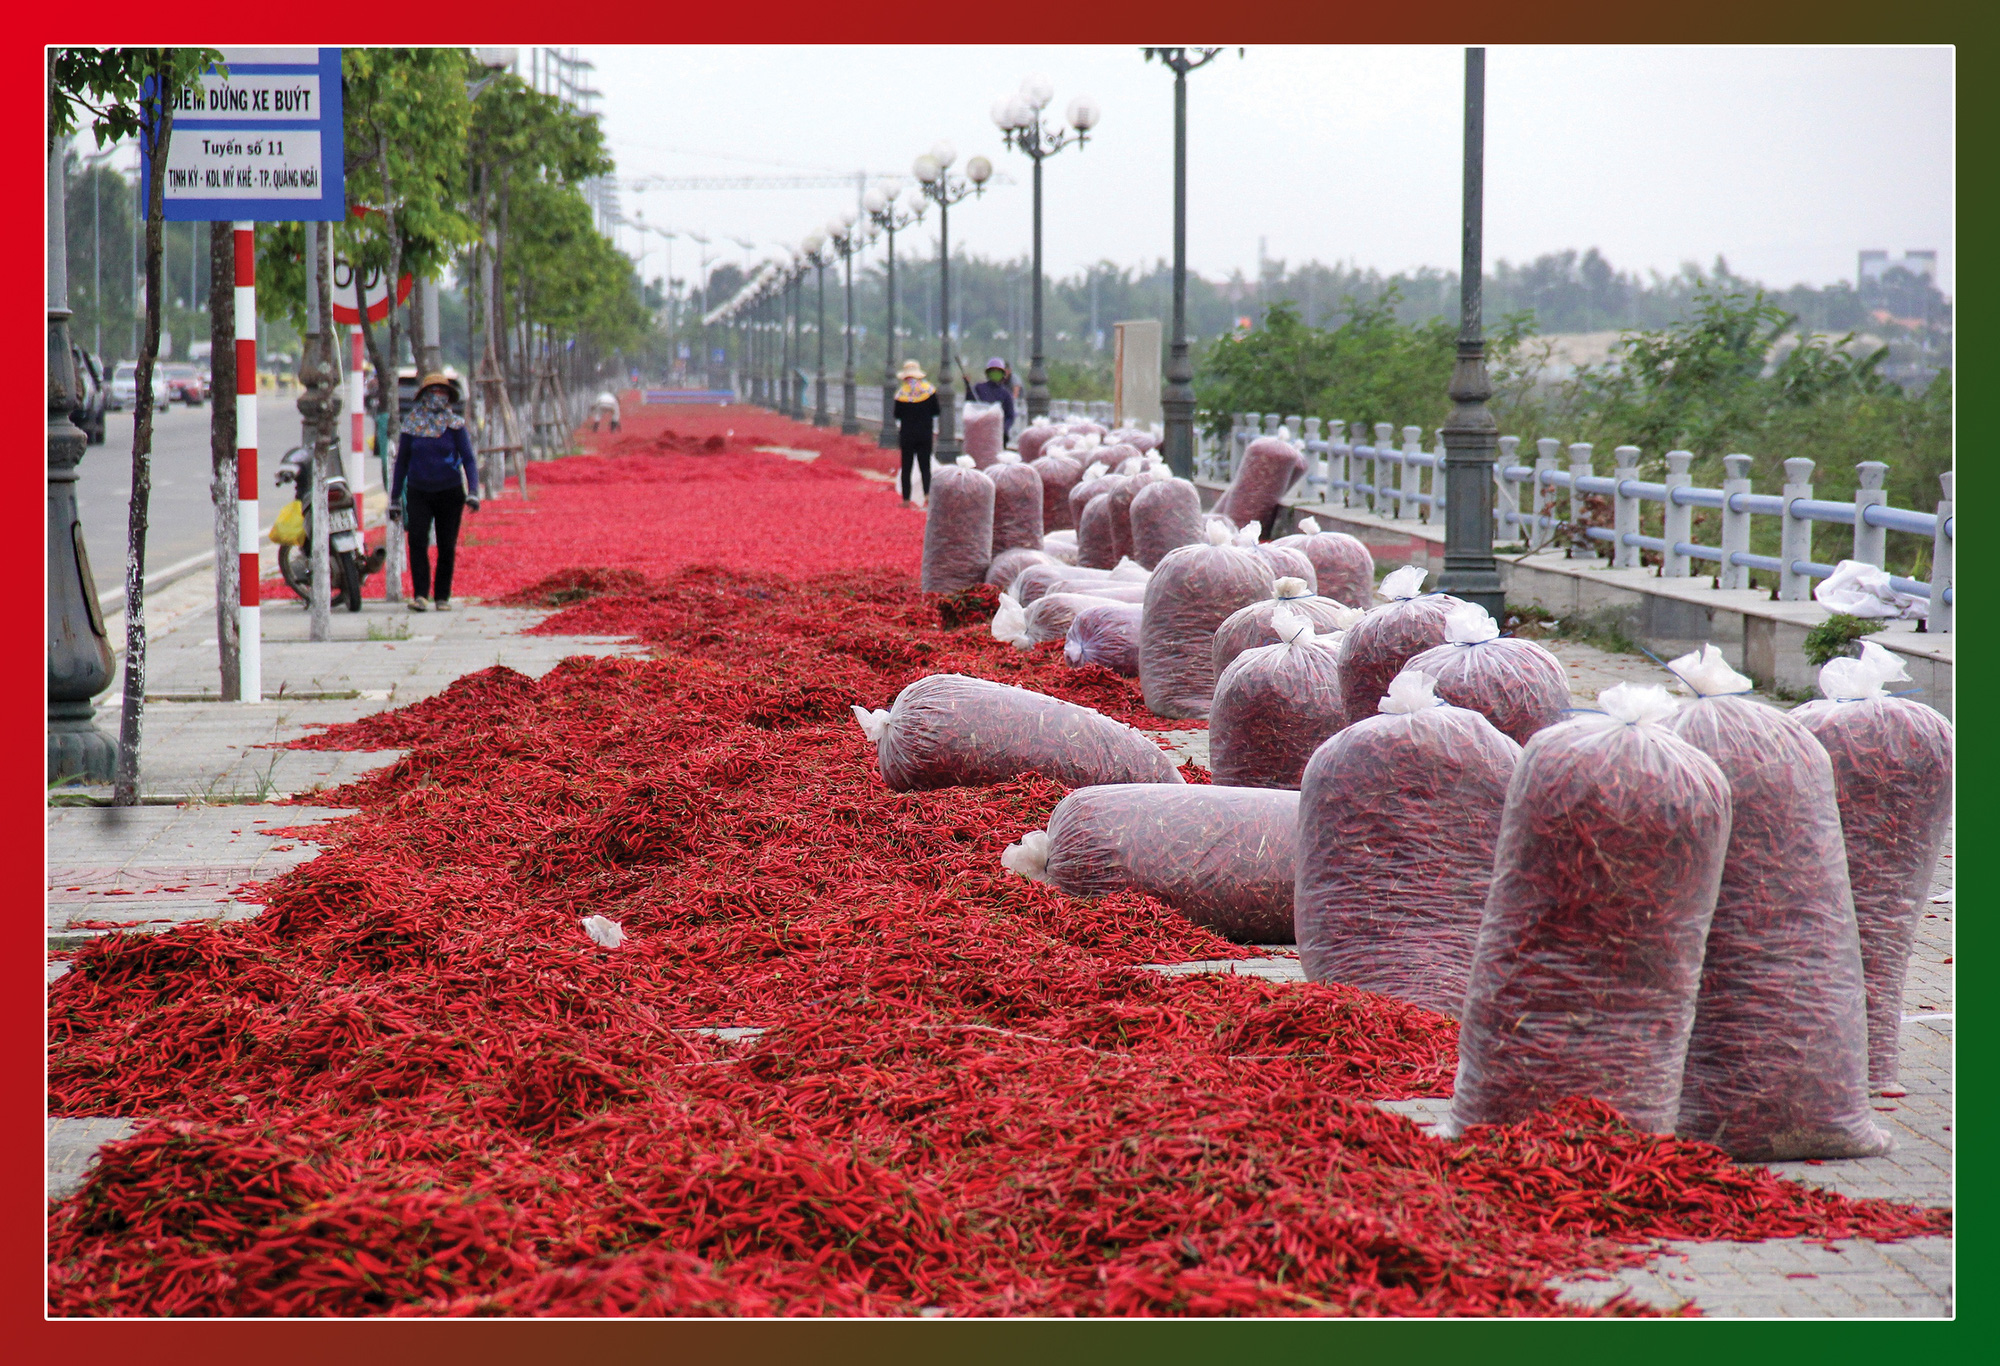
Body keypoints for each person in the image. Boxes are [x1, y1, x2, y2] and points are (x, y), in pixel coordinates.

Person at [389, 373, 480, 612]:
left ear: (448, 397)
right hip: (419, 491)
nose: (437, 397)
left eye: (442, 392)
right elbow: (401, 462)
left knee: (446, 545)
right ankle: (420, 595)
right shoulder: (411, 425)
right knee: (417, 540)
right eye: (433, 392)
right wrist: (395, 498)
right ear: (424, 396)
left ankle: (442, 597)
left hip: (450, 492)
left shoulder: (455, 425)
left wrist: (473, 491)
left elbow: (469, 460)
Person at [892, 360, 939, 505]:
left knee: (907, 467)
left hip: (907, 435)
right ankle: (927, 495)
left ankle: (906, 499)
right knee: (925, 466)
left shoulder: (901, 393)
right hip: (924, 434)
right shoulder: (929, 391)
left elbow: (897, 414)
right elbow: (936, 411)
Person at [963, 355, 1016, 442]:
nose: (995, 374)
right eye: (993, 371)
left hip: (998, 437)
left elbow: (1010, 416)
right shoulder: (979, 388)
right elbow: (971, 403)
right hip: (980, 433)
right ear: (987, 373)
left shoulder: (1006, 394)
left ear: (1003, 374)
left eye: (998, 371)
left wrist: (1001, 429)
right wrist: (968, 387)